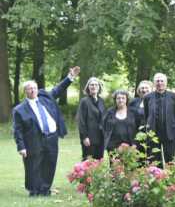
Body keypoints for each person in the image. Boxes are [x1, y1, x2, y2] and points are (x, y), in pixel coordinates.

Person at [13, 66, 80, 197]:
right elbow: (17, 130)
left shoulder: (45, 97)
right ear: (25, 91)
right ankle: (34, 190)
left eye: (34, 88)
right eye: (29, 89)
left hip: (51, 137)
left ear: (37, 89)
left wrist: (70, 78)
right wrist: (21, 147)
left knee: (50, 163)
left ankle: (45, 189)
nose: (32, 90)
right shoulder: (19, 109)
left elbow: (58, 90)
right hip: (34, 139)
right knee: (34, 165)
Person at [143, 73, 175, 165]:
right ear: (154, 83)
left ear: (166, 83)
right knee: (154, 159)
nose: (159, 83)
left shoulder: (174, 97)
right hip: (154, 133)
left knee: (170, 160)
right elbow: (146, 114)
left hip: (169, 132)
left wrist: (174, 126)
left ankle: (170, 177)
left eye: (162, 81)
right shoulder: (147, 97)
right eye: (157, 81)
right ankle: (157, 177)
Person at [102, 90, 138, 157]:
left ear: (127, 99)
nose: (120, 100)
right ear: (115, 100)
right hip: (113, 147)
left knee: (129, 166)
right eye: (118, 98)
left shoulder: (134, 112)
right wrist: (108, 143)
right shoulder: (110, 112)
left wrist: (135, 144)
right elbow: (103, 127)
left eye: (123, 98)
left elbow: (138, 128)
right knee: (115, 166)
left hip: (130, 146)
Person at [77, 77, 106, 160]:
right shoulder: (84, 101)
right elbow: (81, 121)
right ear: (88, 87)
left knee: (99, 161)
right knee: (88, 162)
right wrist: (84, 137)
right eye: (91, 85)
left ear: (99, 87)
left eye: (96, 85)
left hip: (100, 137)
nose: (94, 87)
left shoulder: (101, 101)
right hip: (89, 137)